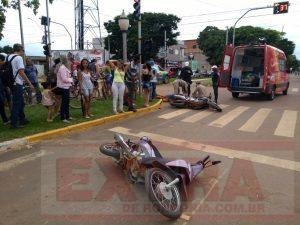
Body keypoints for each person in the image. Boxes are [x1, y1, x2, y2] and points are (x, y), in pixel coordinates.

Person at [7, 44, 35, 129]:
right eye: (23, 50)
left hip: (11, 83)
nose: (23, 52)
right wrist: (29, 83)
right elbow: (21, 72)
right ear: (20, 50)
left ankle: (22, 119)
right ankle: (14, 123)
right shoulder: (18, 58)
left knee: (21, 102)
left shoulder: (8, 57)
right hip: (17, 83)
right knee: (17, 104)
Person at [56, 55, 73, 123]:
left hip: (66, 87)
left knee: (67, 102)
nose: (70, 62)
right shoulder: (62, 68)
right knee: (64, 103)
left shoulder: (65, 68)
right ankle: (63, 117)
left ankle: (67, 116)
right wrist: (71, 80)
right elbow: (64, 79)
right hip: (63, 87)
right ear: (66, 61)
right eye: (69, 61)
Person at [0, 54, 9, 125]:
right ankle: (5, 120)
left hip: (2, 88)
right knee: (1, 104)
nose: (3, 62)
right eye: (2, 61)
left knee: (2, 105)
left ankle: (5, 120)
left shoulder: (2, 67)